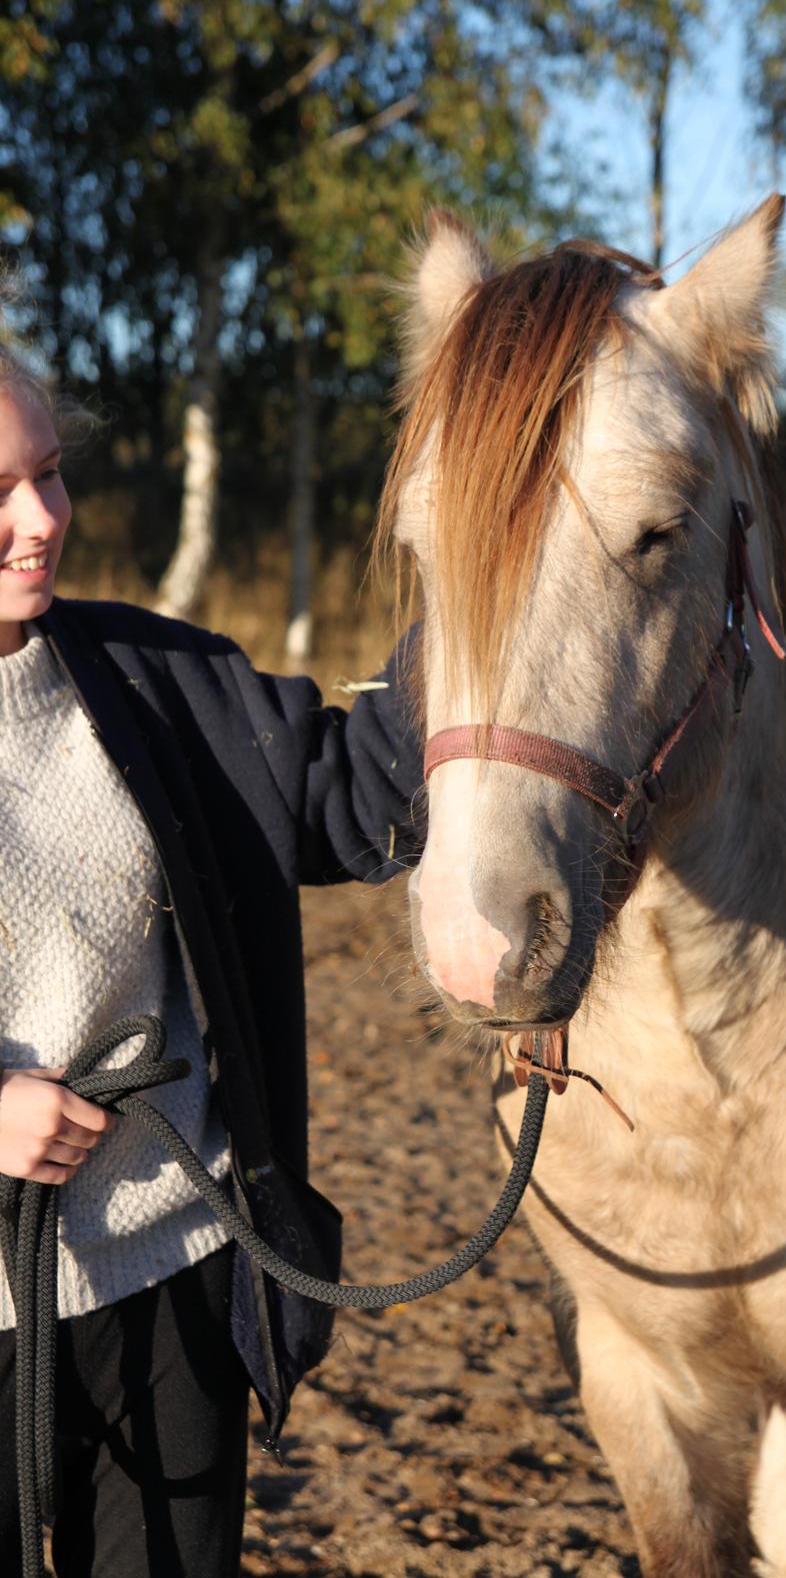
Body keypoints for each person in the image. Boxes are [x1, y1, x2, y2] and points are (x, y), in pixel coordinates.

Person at [0, 331, 423, 1576]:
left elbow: (363, 794)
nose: (41, 519)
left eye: (51, 474)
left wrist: (494, 574)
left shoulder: (160, 682)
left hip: (173, 1267)